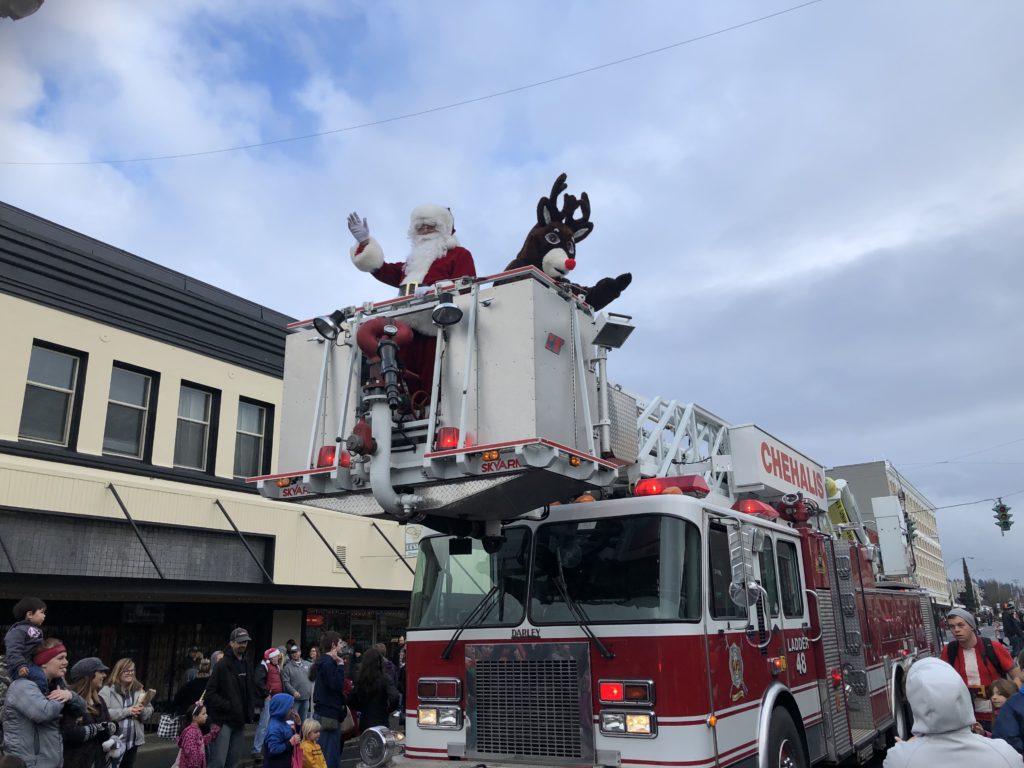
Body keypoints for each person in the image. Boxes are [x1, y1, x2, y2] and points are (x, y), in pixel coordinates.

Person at [347, 205, 476, 404]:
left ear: (444, 229)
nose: (424, 231)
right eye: (419, 227)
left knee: (433, 379)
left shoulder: (459, 255)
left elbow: (466, 286)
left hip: (436, 328)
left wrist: (435, 290)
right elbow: (381, 269)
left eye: (430, 226)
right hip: (404, 330)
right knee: (401, 375)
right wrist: (364, 242)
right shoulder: (410, 264)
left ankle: (433, 412)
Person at [885, 656, 1024, 767]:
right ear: (962, 693)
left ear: (915, 703)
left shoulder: (899, 759)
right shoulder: (1005, 754)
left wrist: (906, 749)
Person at [1, 638, 85, 768]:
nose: (66, 662)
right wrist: (60, 698)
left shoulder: (56, 686)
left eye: (66, 658)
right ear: (43, 662)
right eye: (60, 658)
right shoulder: (22, 686)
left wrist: (70, 695)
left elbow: (81, 709)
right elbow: (43, 713)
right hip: (28, 764)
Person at [941, 608, 1024, 732]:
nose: (956, 630)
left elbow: (1017, 676)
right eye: (952, 627)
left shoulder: (993, 647)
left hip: (995, 716)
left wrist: (1012, 702)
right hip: (966, 719)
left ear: (972, 626)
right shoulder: (949, 651)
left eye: (960, 625)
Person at [204, 627, 256, 768]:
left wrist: (249, 710)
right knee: (218, 762)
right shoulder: (222, 665)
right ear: (231, 643)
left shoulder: (247, 663)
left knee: (233, 762)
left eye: (245, 641)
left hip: (239, 721)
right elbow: (210, 694)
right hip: (222, 722)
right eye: (240, 642)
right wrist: (228, 706)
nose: (243, 645)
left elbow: (250, 689)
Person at [61, 658, 116, 768]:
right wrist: (99, 729)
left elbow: (108, 725)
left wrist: (111, 731)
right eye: (100, 672)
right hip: (75, 762)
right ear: (89, 676)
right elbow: (69, 733)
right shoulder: (71, 701)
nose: (104, 675)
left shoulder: (99, 700)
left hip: (97, 761)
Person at [99, 658, 152, 768]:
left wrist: (142, 710)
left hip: (132, 743)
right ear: (118, 672)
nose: (130, 673)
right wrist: (128, 711)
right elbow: (103, 714)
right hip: (112, 742)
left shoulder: (139, 690)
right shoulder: (107, 690)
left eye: (132, 670)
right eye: (126, 671)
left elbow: (149, 712)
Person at [310, 632, 347, 768]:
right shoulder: (329, 663)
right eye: (340, 643)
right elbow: (337, 685)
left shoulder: (323, 662)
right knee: (330, 754)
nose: (342, 645)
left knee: (323, 751)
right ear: (333, 645)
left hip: (323, 712)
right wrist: (341, 665)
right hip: (329, 714)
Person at [347, 648, 399, 732]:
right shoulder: (385, 679)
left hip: (365, 720)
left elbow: (352, 700)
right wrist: (388, 709)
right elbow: (395, 697)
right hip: (381, 719)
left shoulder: (361, 679)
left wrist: (361, 708)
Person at [4, 597, 48, 690]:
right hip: (22, 666)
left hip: (32, 664)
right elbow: (14, 650)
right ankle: (42, 699)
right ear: (30, 614)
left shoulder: (36, 630)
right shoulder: (18, 630)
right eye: (42, 612)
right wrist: (20, 665)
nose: (44, 616)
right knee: (39, 679)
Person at [252, 648, 284, 756]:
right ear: (271, 657)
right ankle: (256, 749)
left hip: (277, 699)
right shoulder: (263, 666)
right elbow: (258, 681)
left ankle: (269, 747)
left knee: (272, 724)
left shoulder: (277, 667)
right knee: (264, 725)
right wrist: (266, 693)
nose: (278, 658)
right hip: (268, 699)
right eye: (276, 656)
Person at [176, 702, 221, 768]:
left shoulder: (195, 730)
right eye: (203, 714)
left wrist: (213, 733)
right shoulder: (191, 732)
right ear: (194, 717)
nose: (206, 715)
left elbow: (201, 741)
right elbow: (191, 754)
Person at [261, 694, 300, 768]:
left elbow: (297, 738)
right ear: (281, 709)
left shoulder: (285, 722)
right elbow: (273, 750)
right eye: (290, 708)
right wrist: (289, 743)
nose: (292, 711)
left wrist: (298, 724)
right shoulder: (274, 728)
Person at [281, 645, 313, 724]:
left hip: (306, 698)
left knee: (303, 721)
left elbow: (313, 678)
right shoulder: (287, 667)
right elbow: (286, 682)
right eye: (292, 653)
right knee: (292, 721)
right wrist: (293, 692)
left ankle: (302, 736)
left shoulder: (308, 664)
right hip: (294, 700)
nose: (294, 654)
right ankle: (293, 736)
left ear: (300, 652)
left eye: (296, 652)